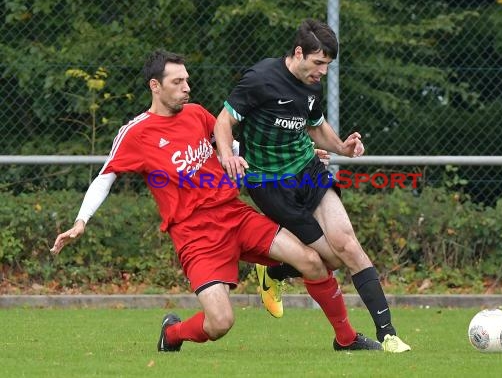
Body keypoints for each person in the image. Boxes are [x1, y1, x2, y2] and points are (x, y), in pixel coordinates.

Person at [50, 50, 382, 352]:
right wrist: (81, 221)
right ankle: (173, 333)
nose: (186, 87)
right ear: (155, 85)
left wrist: (305, 151)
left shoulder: (196, 114)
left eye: (187, 80)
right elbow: (106, 176)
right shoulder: (136, 132)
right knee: (221, 322)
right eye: (177, 81)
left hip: (234, 214)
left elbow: (232, 149)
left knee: (312, 260)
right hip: (196, 236)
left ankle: (346, 338)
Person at [214, 19, 411, 353]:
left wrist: (343, 148)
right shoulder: (261, 79)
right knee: (328, 262)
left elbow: (316, 128)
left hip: (308, 170)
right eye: (318, 63)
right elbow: (223, 121)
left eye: (328, 66)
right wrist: (227, 156)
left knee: (348, 246)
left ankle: (388, 334)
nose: (322, 71)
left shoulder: (311, 85)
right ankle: (274, 273)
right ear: (298, 53)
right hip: (271, 184)